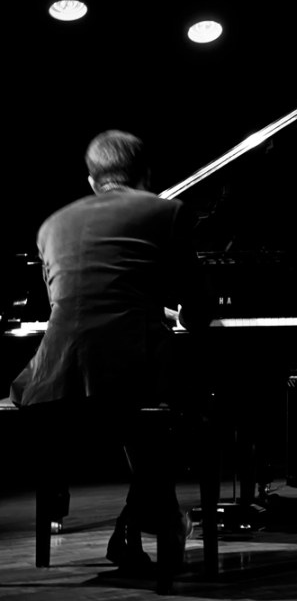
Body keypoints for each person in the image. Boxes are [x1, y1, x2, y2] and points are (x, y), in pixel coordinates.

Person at [10, 130, 212, 574]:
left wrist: (145, 307)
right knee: (190, 407)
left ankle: (144, 526)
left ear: (91, 180)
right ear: (146, 174)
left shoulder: (51, 224)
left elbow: (79, 301)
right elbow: (200, 310)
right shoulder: (168, 212)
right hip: (130, 370)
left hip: (53, 375)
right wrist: (174, 315)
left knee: (143, 412)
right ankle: (142, 522)